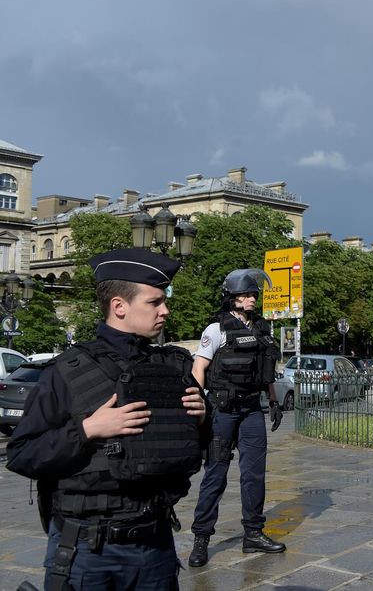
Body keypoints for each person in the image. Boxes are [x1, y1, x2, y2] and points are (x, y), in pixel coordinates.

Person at [6, 248, 207, 590]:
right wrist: (88, 429)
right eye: (155, 302)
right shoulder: (66, 372)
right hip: (90, 549)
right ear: (119, 306)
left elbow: (188, 451)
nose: (165, 310)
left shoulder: (171, 368)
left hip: (156, 543)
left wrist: (201, 419)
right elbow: (22, 453)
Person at [188, 268, 285, 567]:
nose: (252, 298)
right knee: (216, 475)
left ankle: (253, 534)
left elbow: (264, 369)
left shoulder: (261, 329)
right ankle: (201, 539)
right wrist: (200, 405)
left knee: (254, 475)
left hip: (251, 410)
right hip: (222, 411)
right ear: (231, 298)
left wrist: (272, 398)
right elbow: (199, 369)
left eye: (254, 293)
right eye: (245, 294)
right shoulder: (216, 329)